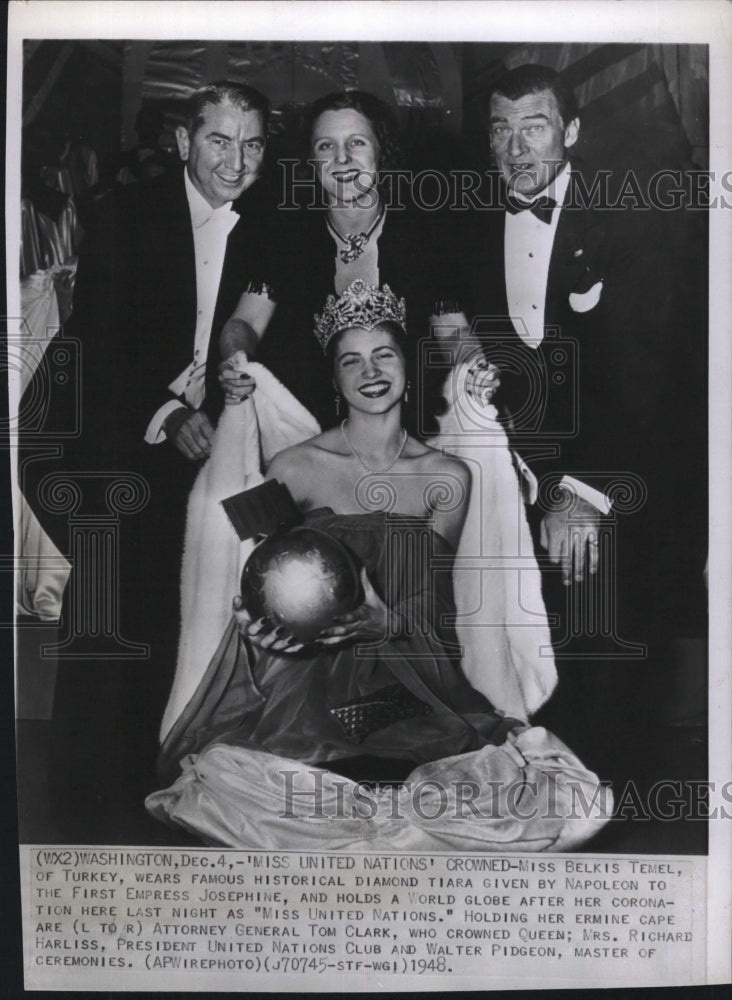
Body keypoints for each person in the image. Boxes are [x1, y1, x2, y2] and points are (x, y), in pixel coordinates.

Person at [146, 281, 609, 852]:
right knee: (259, 782)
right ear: (335, 379)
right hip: (306, 679)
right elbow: (255, 578)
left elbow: (436, 619)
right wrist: (255, 625)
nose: (370, 371)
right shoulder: (290, 466)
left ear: (408, 368)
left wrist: (385, 623)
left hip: (412, 681)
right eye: (351, 360)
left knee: (483, 792)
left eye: (384, 354)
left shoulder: (450, 477)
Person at [17, 81, 276, 834]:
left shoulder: (270, 224)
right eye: (221, 141)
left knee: (221, 603)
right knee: (111, 613)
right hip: (116, 435)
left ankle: (189, 790)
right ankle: (85, 807)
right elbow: (99, 346)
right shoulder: (125, 215)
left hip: (228, 436)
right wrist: (165, 416)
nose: (236, 160)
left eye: (253, 143)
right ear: (183, 143)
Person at [458, 64, 706, 750]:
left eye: (533, 126)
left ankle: (609, 808)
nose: (516, 148)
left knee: (609, 657)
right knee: (532, 655)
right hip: (522, 469)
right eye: (501, 130)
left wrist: (585, 492)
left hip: (619, 464)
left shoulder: (630, 213)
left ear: (569, 130)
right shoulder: (473, 218)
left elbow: (649, 370)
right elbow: (475, 332)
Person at [219, 89, 495, 431]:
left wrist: (474, 367)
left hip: (413, 433)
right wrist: (236, 360)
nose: (342, 158)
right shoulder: (286, 236)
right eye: (326, 146)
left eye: (357, 143)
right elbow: (244, 324)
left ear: (381, 150)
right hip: (308, 436)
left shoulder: (426, 234)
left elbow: (453, 331)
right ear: (311, 161)